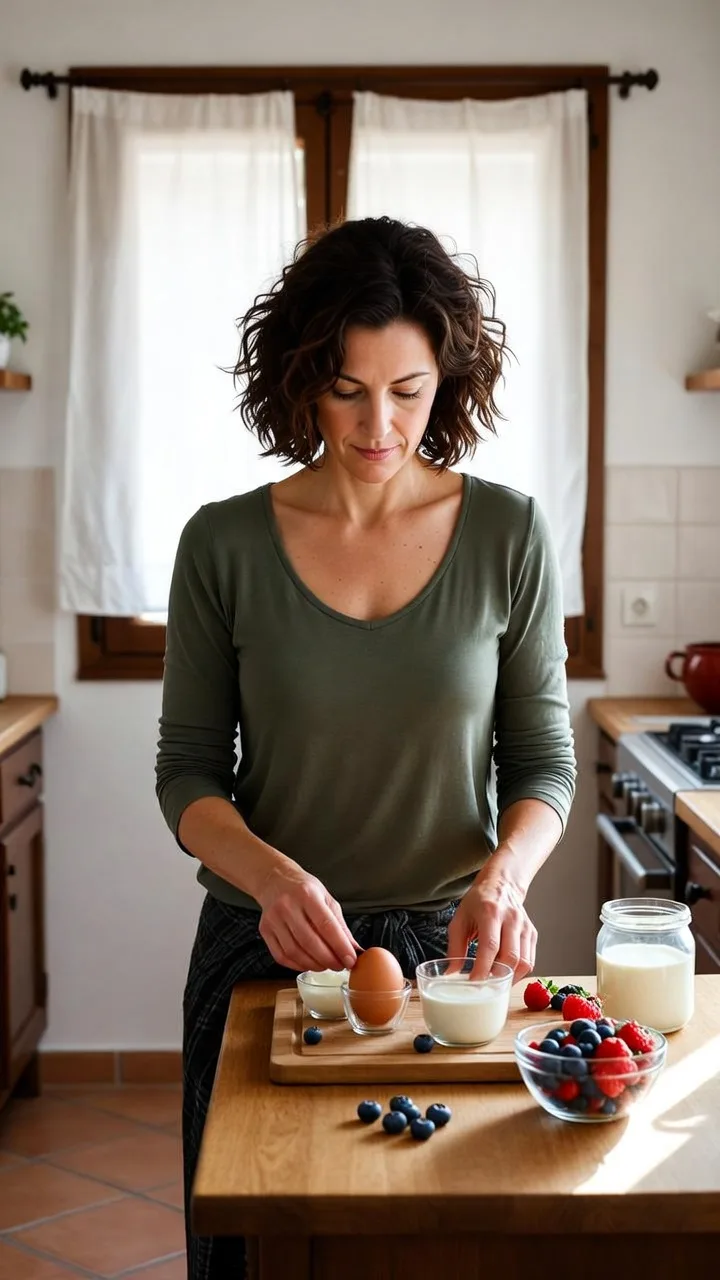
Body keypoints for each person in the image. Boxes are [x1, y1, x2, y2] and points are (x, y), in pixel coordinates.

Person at [155, 215, 576, 1280]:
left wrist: (505, 874)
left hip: (454, 960)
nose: (379, 421)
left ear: (450, 379)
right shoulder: (223, 543)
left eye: (408, 387)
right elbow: (189, 770)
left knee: (446, 1251)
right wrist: (271, 873)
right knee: (255, 1257)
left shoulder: (509, 535)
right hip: (266, 950)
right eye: (348, 387)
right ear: (301, 377)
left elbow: (543, 761)